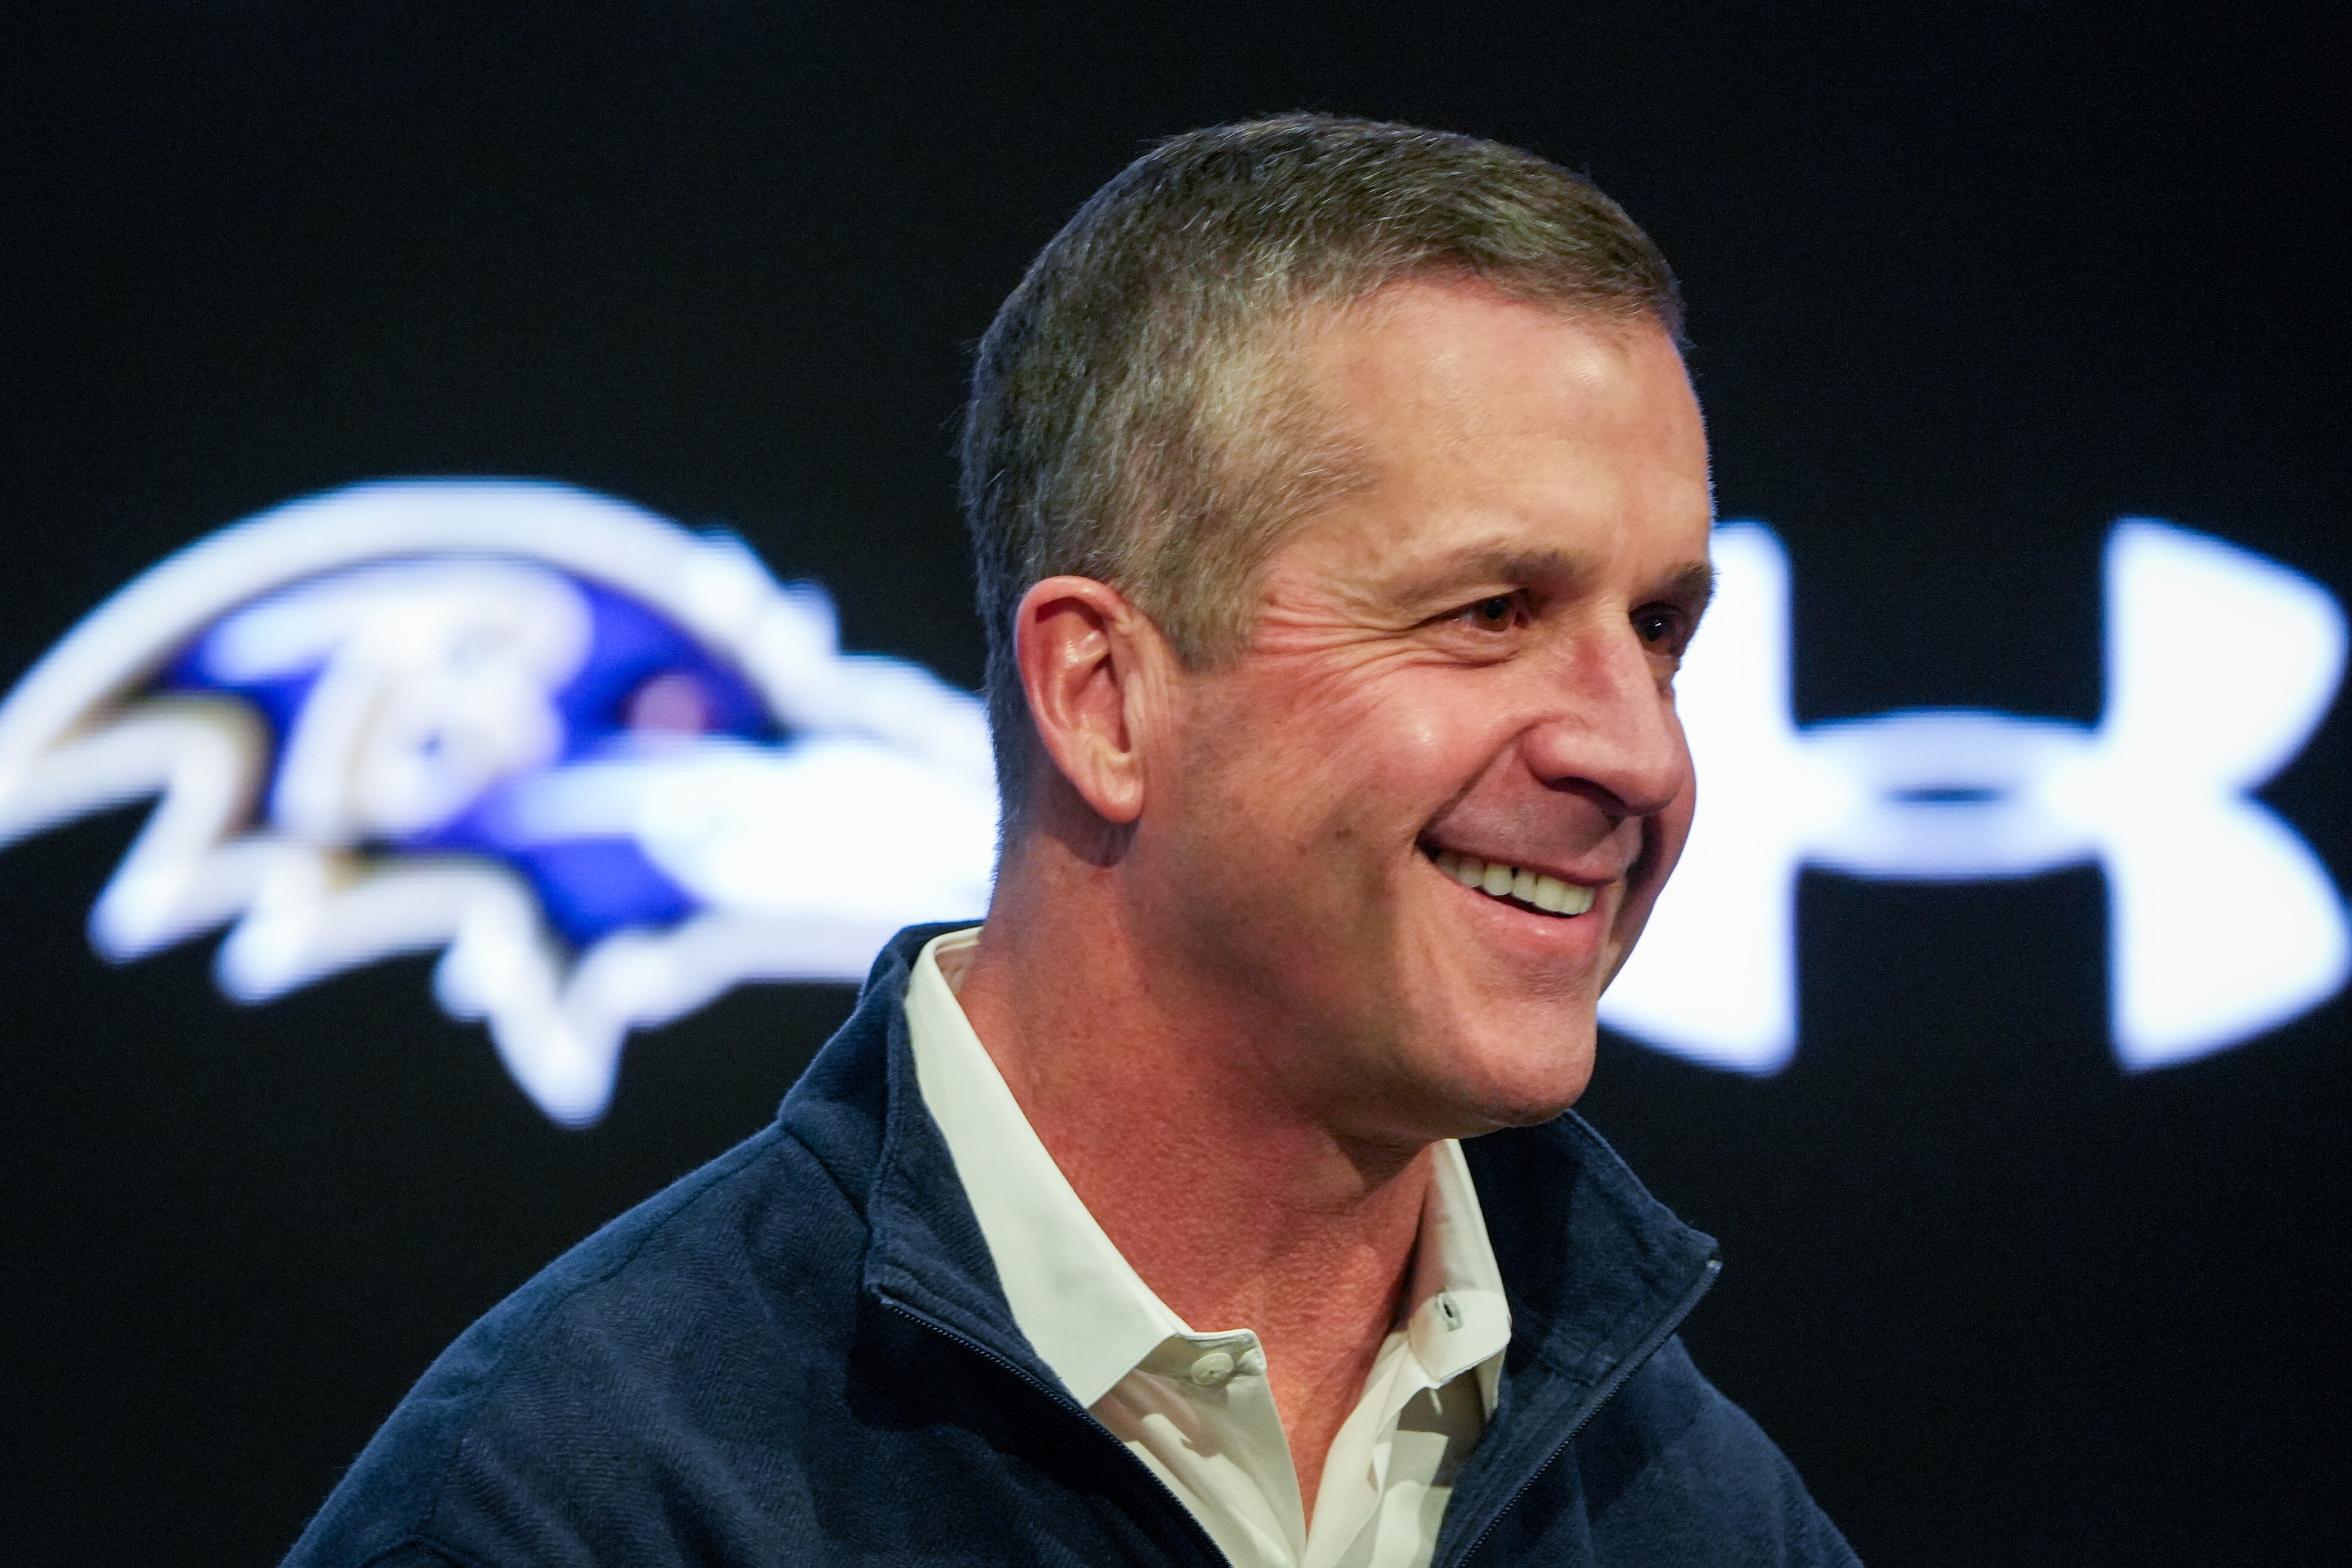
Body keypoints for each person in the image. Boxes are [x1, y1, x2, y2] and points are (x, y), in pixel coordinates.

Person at [285, 115, 1859, 1567]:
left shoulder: (1693, 1506)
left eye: (1657, 629)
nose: (1636, 749)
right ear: (1102, 698)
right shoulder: (577, 1506)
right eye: (1489, 613)